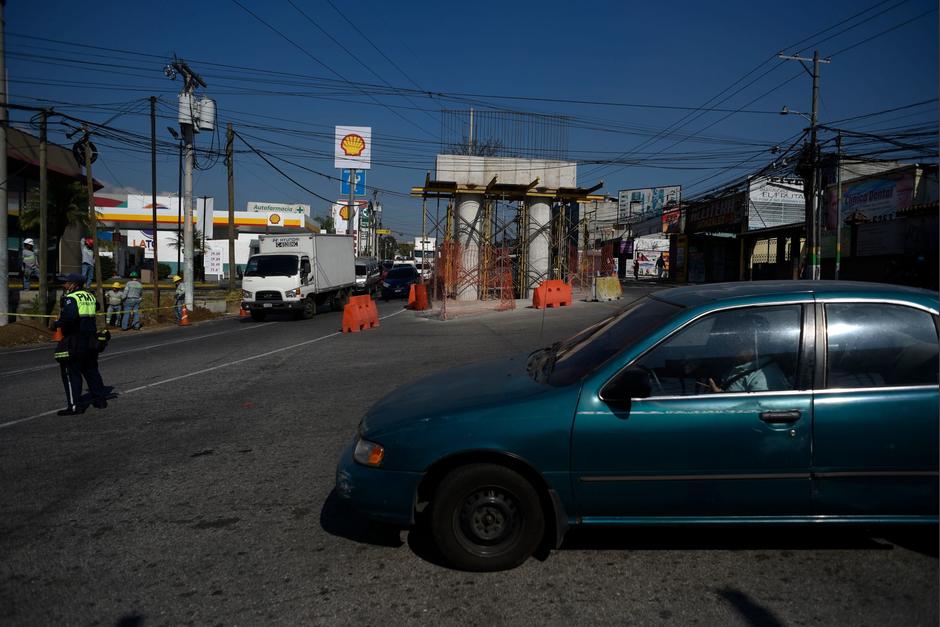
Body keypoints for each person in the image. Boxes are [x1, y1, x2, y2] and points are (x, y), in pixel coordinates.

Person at [52, 273, 107, 415]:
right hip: (91, 339)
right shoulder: (90, 296)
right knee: (91, 370)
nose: (64, 285)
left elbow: (70, 317)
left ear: (74, 284)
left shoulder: (71, 298)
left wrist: (56, 324)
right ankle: (100, 400)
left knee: (71, 373)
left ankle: (75, 406)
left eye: (66, 282)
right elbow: (97, 306)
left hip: (75, 339)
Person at [707, 316, 789, 393]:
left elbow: (758, 404)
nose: (731, 345)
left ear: (754, 344)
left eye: (737, 339)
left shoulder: (764, 379)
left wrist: (720, 397)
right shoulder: (741, 366)